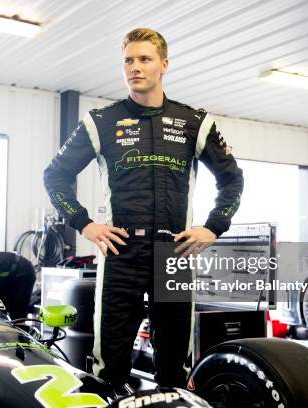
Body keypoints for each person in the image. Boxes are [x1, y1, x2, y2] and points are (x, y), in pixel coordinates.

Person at [43, 28, 243, 389]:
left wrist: (213, 227)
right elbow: (55, 176)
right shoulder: (101, 122)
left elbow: (233, 180)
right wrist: (85, 224)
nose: (135, 67)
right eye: (128, 60)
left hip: (174, 253)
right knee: (110, 368)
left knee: (174, 369)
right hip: (121, 253)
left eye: (144, 59)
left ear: (164, 65)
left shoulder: (194, 123)